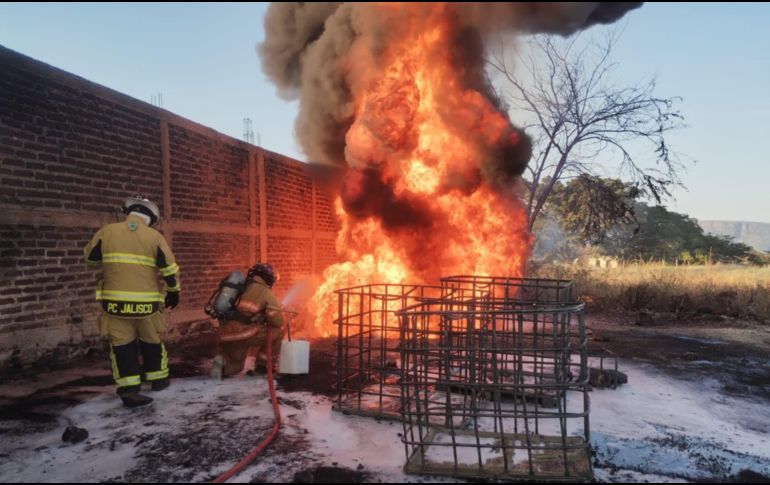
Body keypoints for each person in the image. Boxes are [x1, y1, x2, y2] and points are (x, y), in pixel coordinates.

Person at [84, 196, 180, 408]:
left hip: (115, 305)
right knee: (152, 341)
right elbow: (169, 269)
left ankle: (129, 389)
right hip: (147, 305)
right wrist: (174, 291)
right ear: (151, 217)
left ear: (129, 212)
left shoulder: (106, 232)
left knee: (121, 346)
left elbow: (91, 259)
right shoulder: (154, 237)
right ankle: (158, 380)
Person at [211, 263, 283, 378]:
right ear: (268, 278)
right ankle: (262, 368)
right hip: (244, 333)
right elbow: (278, 321)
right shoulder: (265, 292)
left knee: (236, 367)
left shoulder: (239, 286)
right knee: (278, 332)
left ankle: (223, 363)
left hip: (225, 332)